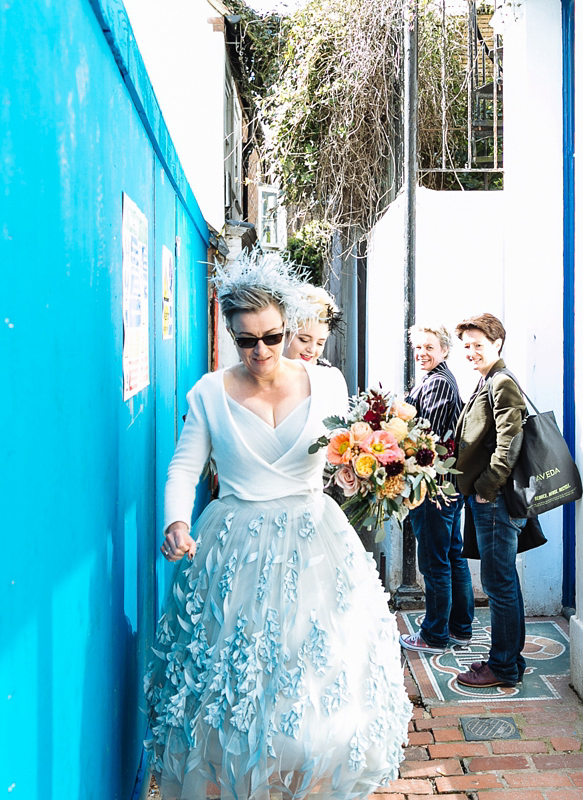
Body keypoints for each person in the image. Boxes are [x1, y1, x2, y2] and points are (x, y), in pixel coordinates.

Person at [144, 253, 411, 800]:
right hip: (234, 547)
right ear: (230, 334)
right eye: (246, 341)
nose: (260, 351)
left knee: (315, 675)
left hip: (316, 545)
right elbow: (184, 467)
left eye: (271, 336)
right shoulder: (209, 393)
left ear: (287, 327)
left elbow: (351, 450)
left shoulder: (329, 384)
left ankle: (306, 782)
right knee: (237, 680)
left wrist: (382, 468)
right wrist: (176, 522)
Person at [451, 312, 528, 688]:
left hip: (495, 501)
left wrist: (486, 486)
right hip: (490, 499)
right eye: (466, 346)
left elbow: (509, 440)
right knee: (504, 581)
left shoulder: (501, 382)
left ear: (497, 342)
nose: (471, 352)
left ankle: (502, 665)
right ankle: (511, 658)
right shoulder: (488, 380)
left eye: (478, 345)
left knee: (498, 584)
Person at [398, 324, 475, 656]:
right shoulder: (436, 380)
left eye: (429, 347)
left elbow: (424, 441)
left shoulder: (439, 385)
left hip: (432, 488)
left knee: (435, 563)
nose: (422, 354)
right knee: (451, 557)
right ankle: (459, 629)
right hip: (445, 487)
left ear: (445, 350)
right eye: (418, 348)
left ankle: (434, 635)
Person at [283, 284, 342, 368]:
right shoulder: (262, 373)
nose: (312, 350)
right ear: (284, 333)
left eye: (320, 343)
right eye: (304, 340)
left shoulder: (329, 377)